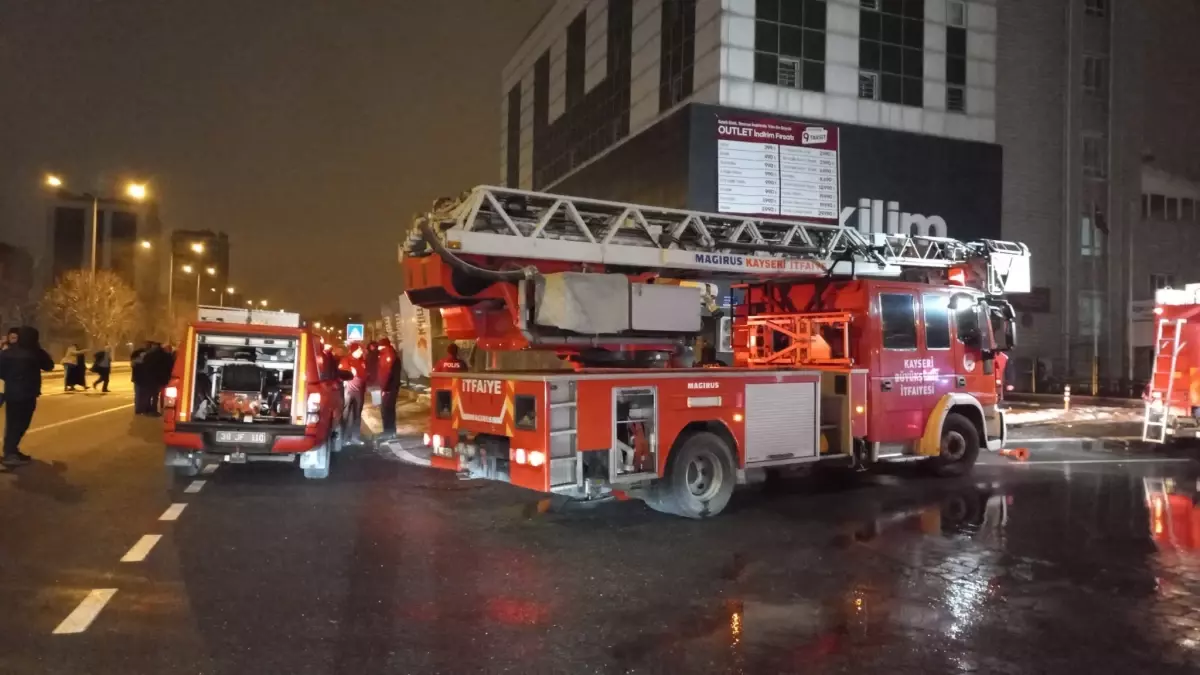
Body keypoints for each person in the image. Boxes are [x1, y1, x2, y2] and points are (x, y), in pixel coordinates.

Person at [0, 327, 55, 466]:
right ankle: (10, 453)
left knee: (12, 423)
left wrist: (11, 379)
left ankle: (11, 450)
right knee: (22, 424)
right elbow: (49, 366)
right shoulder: (35, 353)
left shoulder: (7, 353)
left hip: (12, 393)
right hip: (28, 393)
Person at [339, 342, 368, 444]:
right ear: (354, 350)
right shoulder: (346, 360)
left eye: (361, 350)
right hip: (349, 391)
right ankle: (343, 438)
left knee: (357, 415)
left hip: (359, 391)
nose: (361, 352)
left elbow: (365, 375)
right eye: (359, 350)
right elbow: (341, 374)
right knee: (345, 414)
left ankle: (355, 437)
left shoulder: (362, 361)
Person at [375, 338, 402, 438]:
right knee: (388, 410)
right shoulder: (389, 353)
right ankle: (390, 432)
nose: (378, 348)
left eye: (379, 346)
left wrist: (384, 388)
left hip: (389, 388)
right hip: (391, 387)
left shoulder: (388, 355)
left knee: (386, 410)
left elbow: (387, 373)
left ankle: (388, 432)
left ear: (383, 345)